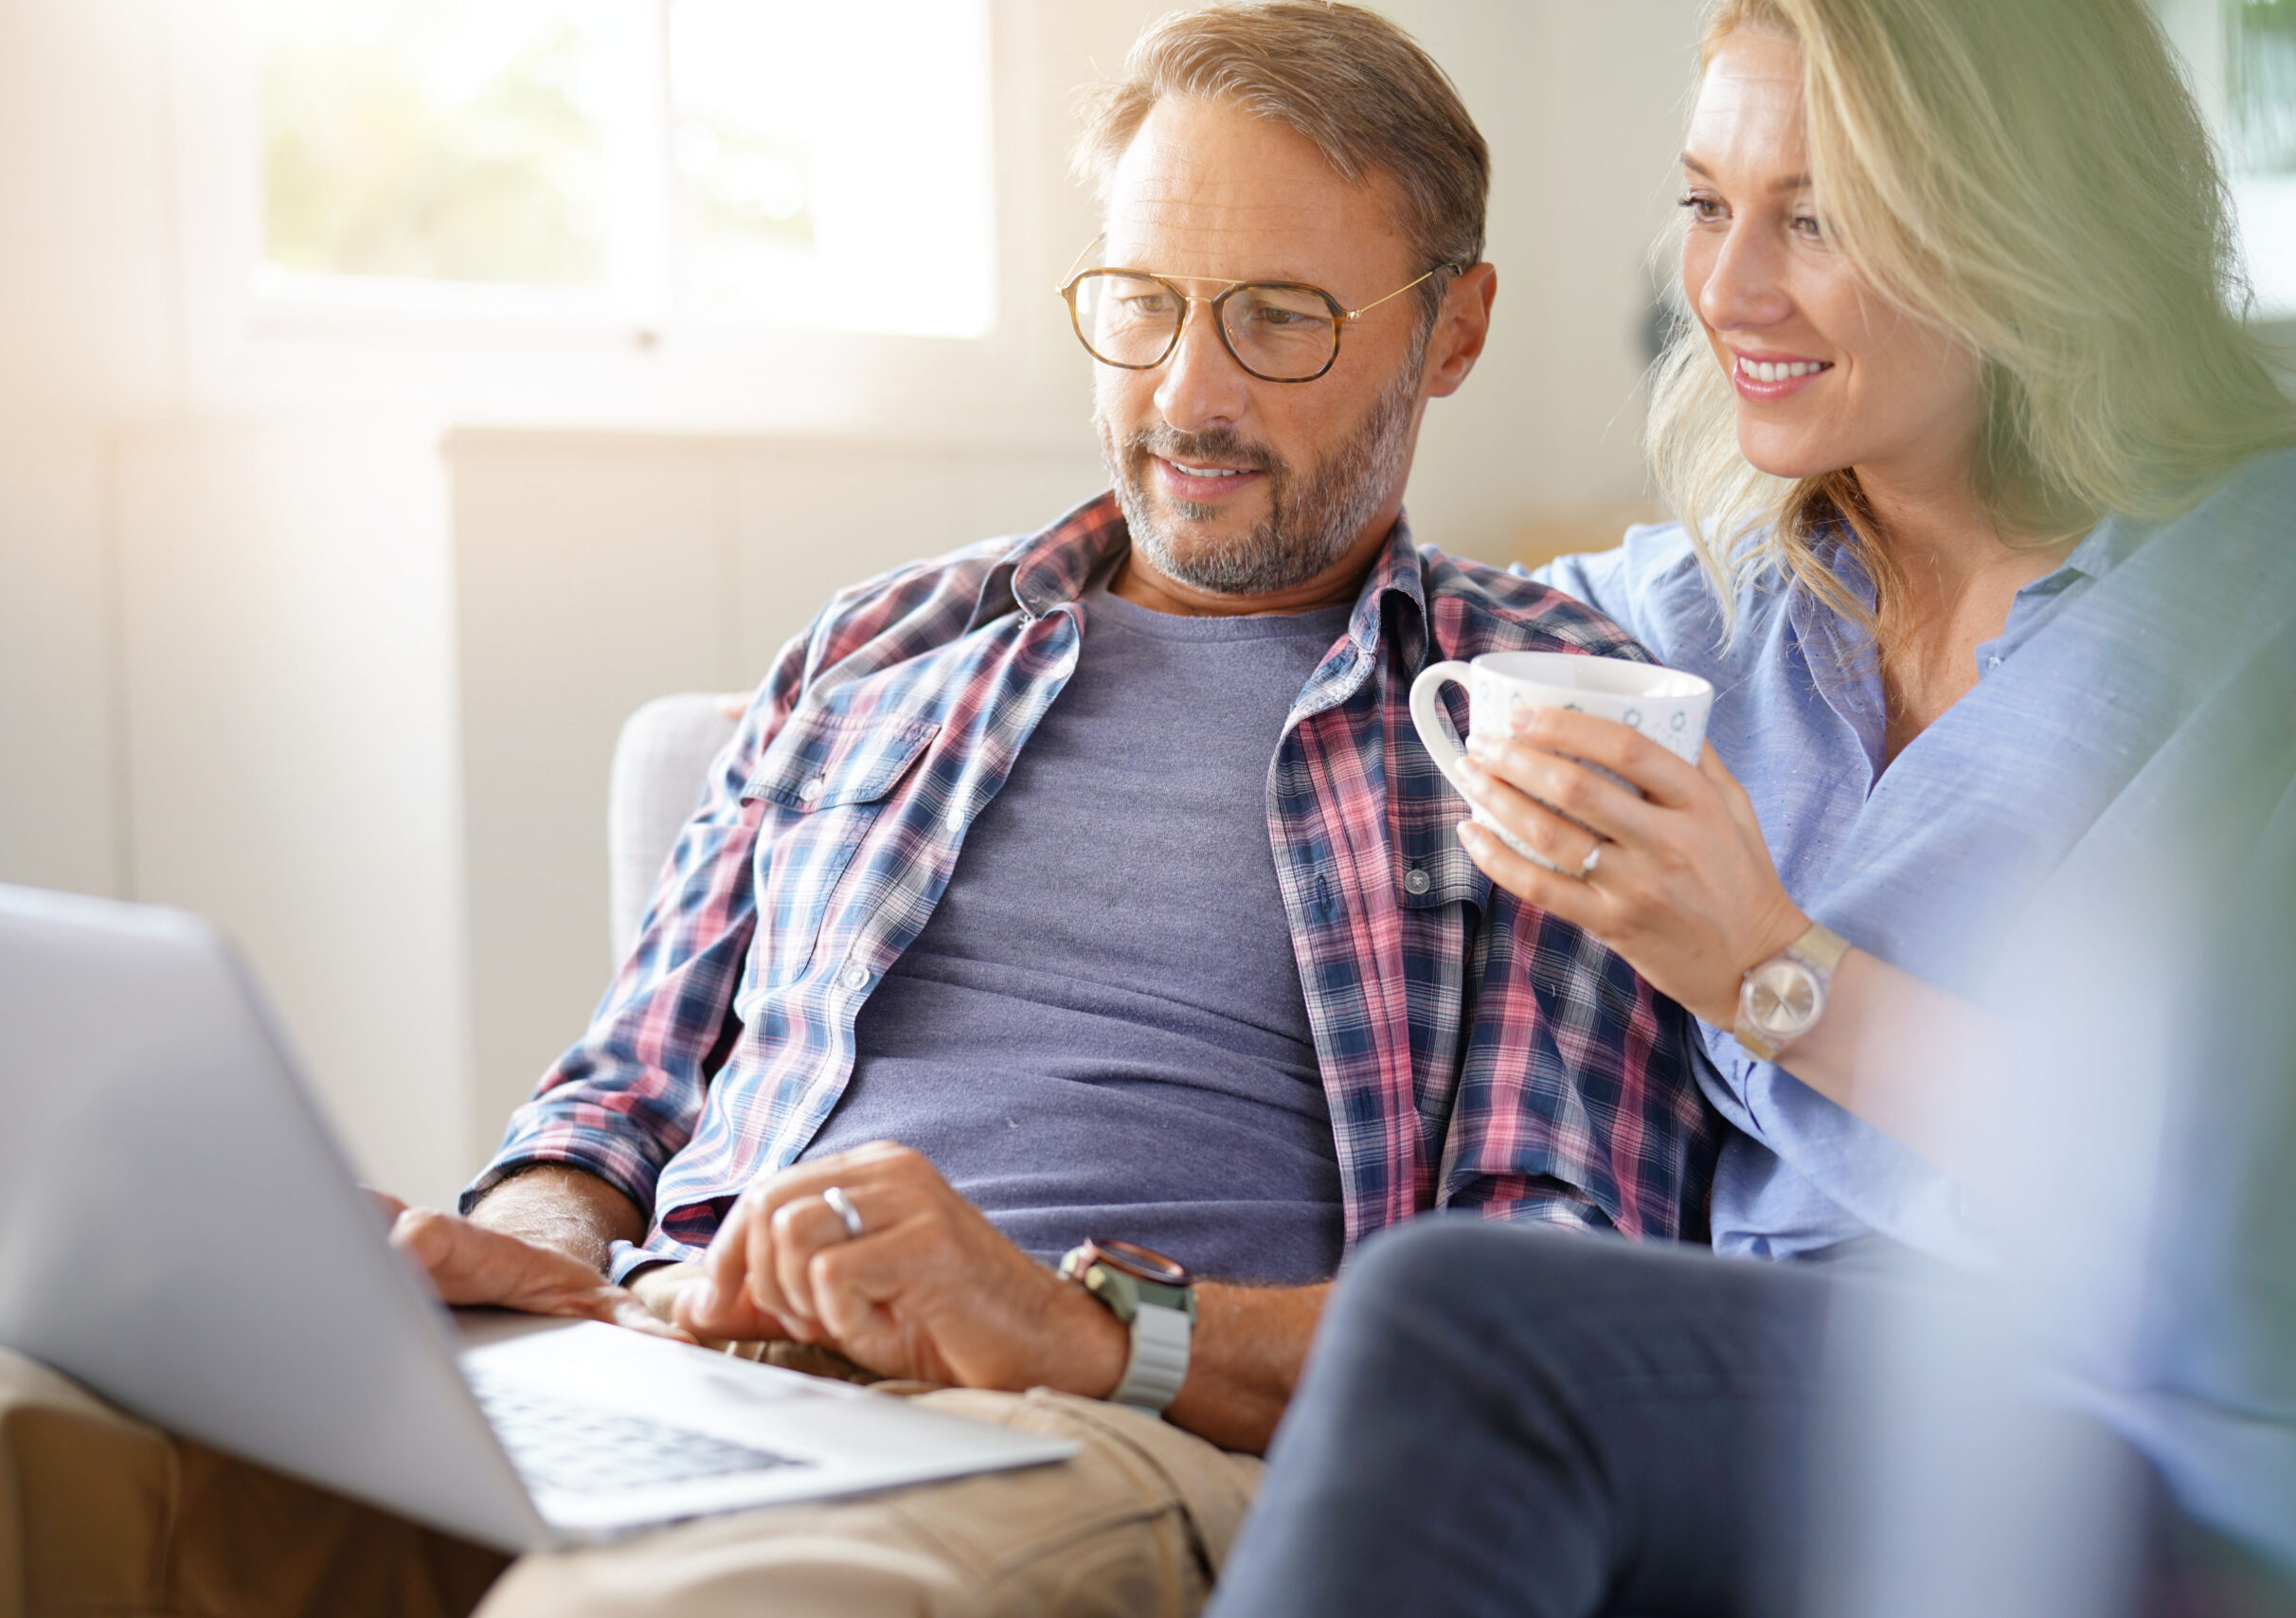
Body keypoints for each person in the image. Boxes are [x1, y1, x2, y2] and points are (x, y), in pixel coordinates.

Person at [0, 7, 1723, 1618]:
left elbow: (1545, 1321)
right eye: (1141, 303)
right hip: (662, 1356)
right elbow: (620, 1090)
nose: (1188, 395)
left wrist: (1082, 1327)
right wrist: (520, 1241)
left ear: (1456, 327)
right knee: (38, 1446)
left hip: (1078, 1437)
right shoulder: (885, 642)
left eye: (1280, 319)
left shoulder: (1538, 705)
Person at [1204, 0, 2296, 1614]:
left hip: (2157, 1423)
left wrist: (1767, 972)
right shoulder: (1712, 609)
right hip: (1756, 1398)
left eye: (1821, 216)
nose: (1728, 286)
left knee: (1455, 1320)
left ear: (2029, 229)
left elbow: (2278, 1215)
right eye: (1709, 203)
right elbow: (1358, 623)